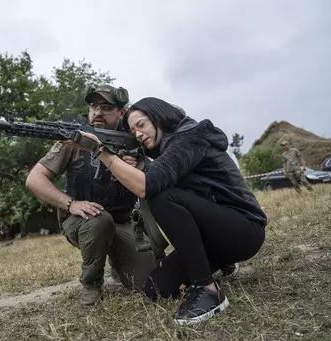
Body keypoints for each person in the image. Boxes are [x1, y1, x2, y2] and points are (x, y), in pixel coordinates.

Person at [67, 97, 267, 324]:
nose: (138, 134)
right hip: (216, 238)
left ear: (159, 117)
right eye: (133, 131)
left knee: (160, 196)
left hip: (245, 230)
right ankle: (221, 262)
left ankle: (208, 291)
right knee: (156, 289)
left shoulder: (191, 136)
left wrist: (101, 151)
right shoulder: (167, 149)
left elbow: (146, 187)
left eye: (141, 125)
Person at [26, 84, 156, 306]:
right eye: (93, 106)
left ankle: (118, 262)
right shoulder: (74, 140)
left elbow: (155, 181)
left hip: (124, 222)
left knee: (151, 283)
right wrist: (71, 204)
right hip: (84, 221)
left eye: (106, 107)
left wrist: (138, 167)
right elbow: (34, 180)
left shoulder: (135, 141)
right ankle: (92, 283)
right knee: (98, 219)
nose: (97, 112)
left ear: (121, 113)